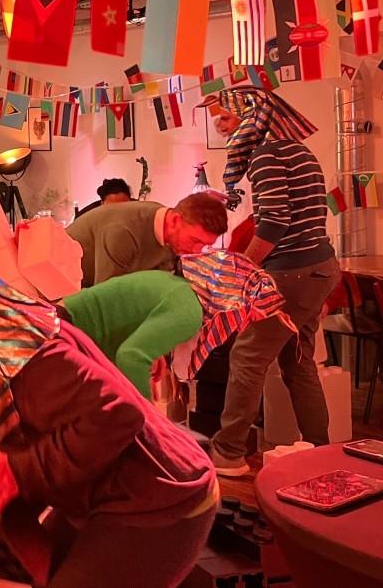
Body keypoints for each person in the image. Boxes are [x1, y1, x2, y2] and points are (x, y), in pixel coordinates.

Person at [0, 253, 218, 588]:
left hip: (164, 499)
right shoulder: (10, 356)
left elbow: (117, 414)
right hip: (111, 490)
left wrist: (20, 472)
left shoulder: (33, 360)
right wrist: (9, 497)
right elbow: (57, 442)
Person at [208, 87, 341, 477]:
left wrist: (244, 270)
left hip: (292, 273)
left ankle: (229, 453)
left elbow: (275, 222)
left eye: (227, 118)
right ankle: (319, 448)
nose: (221, 127)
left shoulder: (266, 155)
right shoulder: (297, 149)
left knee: (248, 356)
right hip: (318, 267)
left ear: (253, 118)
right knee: (297, 361)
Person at [57, 253, 289, 399]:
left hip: (64, 327)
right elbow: (130, 357)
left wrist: (152, 350)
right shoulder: (189, 312)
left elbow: (127, 315)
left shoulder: (178, 288)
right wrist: (150, 425)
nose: (242, 327)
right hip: (64, 336)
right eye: (248, 316)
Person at [65, 192, 229, 287]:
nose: (196, 251)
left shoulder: (171, 236)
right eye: (195, 241)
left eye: (204, 245)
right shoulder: (123, 231)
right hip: (64, 290)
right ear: (175, 220)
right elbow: (105, 298)